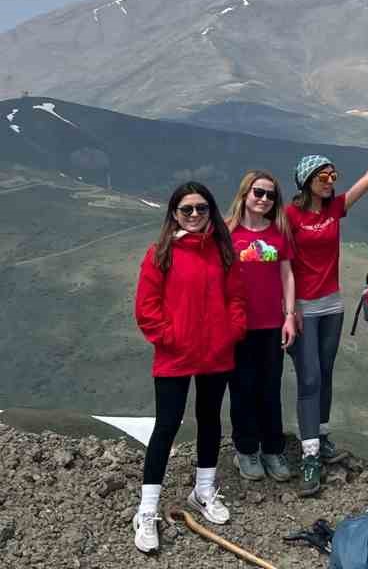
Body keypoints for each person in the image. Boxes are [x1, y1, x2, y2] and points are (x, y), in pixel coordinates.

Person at [286, 121, 368, 496]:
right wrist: (288, 308)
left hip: (332, 306)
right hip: (302, 309)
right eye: (324, 175)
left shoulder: (336, 209)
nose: (331, 180)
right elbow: (270, 249)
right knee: (308, 378)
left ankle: (321, 437)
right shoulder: (290, 216)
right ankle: (309, 457)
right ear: (307, 180)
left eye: (333, 174)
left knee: (324, 374)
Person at [132, 182, 247, 555]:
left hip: (216, 353)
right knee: (166, 425)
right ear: (174, 214)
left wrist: (231, 332)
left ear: (211, 211)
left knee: (210, 419)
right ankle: (147, 511)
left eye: (201, 208)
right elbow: (146, 307)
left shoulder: (223, 252)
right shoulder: (160, 253)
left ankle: (203, 491)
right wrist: (170, 337)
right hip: (175, 355)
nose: (195, 215)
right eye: (187, 210)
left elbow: (236, 299)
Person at [224, 170, 298, 485]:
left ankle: (272, 449)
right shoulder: (227, 233)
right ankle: (245, 449)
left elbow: (287, 275)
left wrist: (290, 315)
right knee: (241, 389)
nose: (264, 199)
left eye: (270, 195)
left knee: (269, 388)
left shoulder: (279, 232)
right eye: (259, 192)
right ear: (245, 193)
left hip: (270, 324)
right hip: (238, 325)